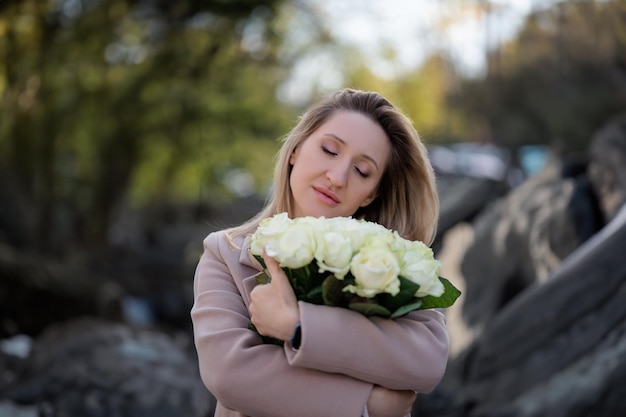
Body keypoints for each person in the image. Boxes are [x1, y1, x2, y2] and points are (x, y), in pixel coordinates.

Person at [191, 88, 449, 417]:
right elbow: (230, 375)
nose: (337, 177)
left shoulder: (391, 262)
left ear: (372, 194)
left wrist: (298, 327)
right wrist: (365, 407)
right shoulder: (224, 253)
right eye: (329, 150)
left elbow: (427, 360)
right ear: (296, 149)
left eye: (362, 171)